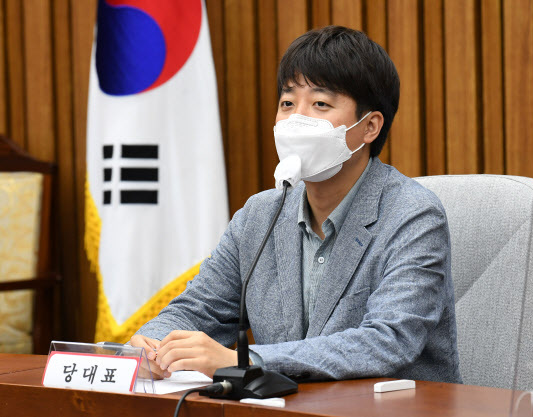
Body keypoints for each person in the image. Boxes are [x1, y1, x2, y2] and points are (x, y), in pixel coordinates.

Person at [130, 25, 462, 384]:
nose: (296, 119)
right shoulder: (259, 216)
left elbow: (388, 341)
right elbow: (198, 309)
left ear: (369, 127)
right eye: (287, 103)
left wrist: (245, 361)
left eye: (320, 104)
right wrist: (153, 346)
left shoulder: (413, 215)